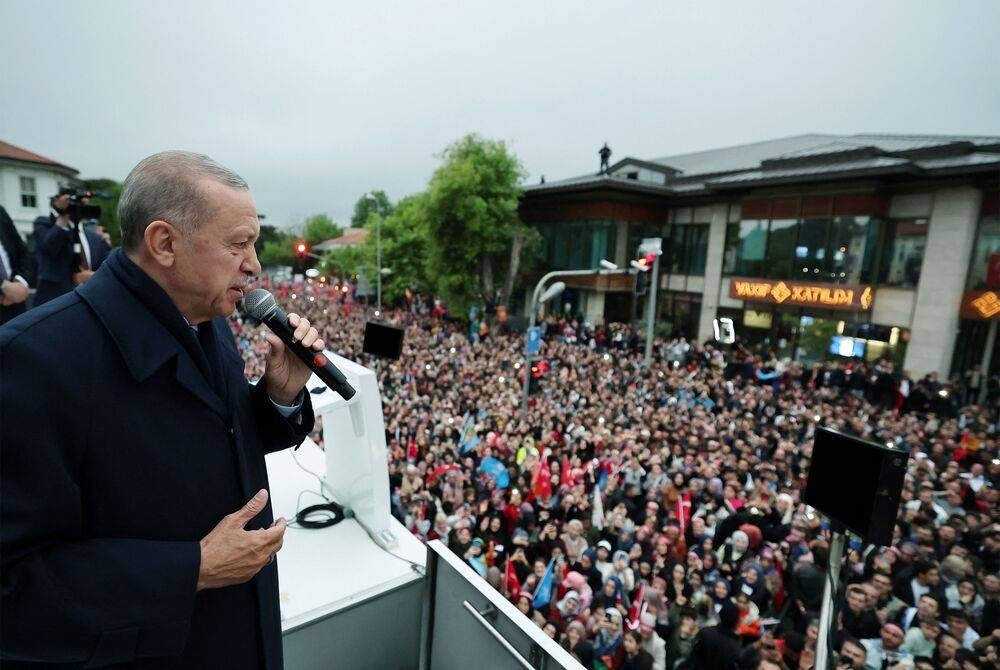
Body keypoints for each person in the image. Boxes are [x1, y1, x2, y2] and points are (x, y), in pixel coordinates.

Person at [0, 151, 325, 668]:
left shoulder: (206, 315)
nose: (255, 265)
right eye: (238, 244)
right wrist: (190, 567)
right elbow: (15, 584)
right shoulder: (34, 359)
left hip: (242, 633)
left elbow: (206, 438)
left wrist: (279, 395)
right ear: (164, 243)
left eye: (255, 244)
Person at [31, 187, 111, 306]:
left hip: (93, 303)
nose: (79, 208)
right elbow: (48, 249)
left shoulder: (94, 236)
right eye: (75, 204)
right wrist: (63, 216)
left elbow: (108, 264)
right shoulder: (44, 224)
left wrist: (94, 277)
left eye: (83, 205)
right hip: (55, 304)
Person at [0, 205, 32, 324]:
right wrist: (4, 287)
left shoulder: (1, 211)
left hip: (15, 305)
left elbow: (22, 250)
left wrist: (20, 282)